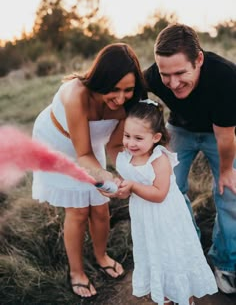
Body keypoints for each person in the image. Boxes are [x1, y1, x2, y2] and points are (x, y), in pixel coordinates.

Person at [32, 43, 146, 298]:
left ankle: (101, 255)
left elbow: (115, 144)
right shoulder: (76, 95)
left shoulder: (129, 102)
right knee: (79, 210)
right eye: (114, 89)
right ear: (100, 80)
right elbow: (81, 154)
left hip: (89, 147)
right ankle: (76, 271)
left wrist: (124, 175)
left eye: (127, 90)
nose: (120, 98)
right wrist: (106, 178)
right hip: (58, 144)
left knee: (101, 210)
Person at [143, 23, 236, 294]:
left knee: (229, 193)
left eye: (181, 73)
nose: (172, 83)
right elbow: (132, 103)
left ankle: (225, 262)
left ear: (199, 60)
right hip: (179, 130)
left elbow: (225, 136)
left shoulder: (226, 77)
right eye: (165, 75)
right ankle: (188, 250)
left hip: (219, 134)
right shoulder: (151, 77)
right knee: (169, 189)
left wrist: (227, 170)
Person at [115, 100, 218, 305]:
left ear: (156, 137)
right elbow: (129, 186)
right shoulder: (127, 157)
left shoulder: (159, 159)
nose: (130, 143)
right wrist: (120, 189)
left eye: (138, 138)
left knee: (173, 253)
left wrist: (133, 186)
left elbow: (159, 193)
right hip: (144, 217)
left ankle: (184, 296)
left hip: (165, 217)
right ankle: (165, 291)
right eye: (127, 136)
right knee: (154, 252)